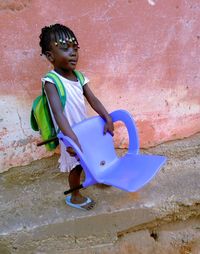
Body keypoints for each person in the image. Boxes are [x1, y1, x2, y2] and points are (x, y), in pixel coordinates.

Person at [39, 24, 114, 210]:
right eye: (65, 48)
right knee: (76, 167)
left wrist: (107, 117)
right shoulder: (51, 81)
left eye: (75, 48)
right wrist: (71, 140)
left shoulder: (79, 77)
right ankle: (74, 195)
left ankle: (97, 178)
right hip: (68, 134)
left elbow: (93, 99)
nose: (73, 53)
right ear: (50, 56)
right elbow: (57, 113)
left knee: (93, 156)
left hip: (84, 130)